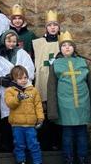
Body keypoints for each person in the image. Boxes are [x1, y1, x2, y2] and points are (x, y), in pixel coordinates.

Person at [47, 31, 91, 164]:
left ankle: (82, 158)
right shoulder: (56, 64)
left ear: (74, 47)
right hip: (64, 105)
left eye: (69, 45)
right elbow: (51, 88)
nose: (67, 47)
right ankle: (68, 159)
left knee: (82, 134)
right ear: (60, 49)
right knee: (67, 135)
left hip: (82, 103)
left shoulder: (82, 62)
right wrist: (52, 110)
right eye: (64, 45)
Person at [0, 30, 35, 152]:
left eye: (14, 41)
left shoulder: (22, 54)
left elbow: (30, 68)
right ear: (4, 41)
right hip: (6, 90)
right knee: (7, 116)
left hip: (21, 89)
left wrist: (19, 79)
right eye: (9, 41)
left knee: (21, 117)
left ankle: (22, 145)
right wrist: (0, 79)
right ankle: (7, 143)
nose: (11, 43)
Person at [32, 10, 61, 151]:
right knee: (44, 115)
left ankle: (57, 142)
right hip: (42, 82)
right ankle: (45, 143)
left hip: (58, 84)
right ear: (46, 28)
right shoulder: (38, 43)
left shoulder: (64, 43)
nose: (53, 27)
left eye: (55, 25)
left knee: (57, 114)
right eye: (50, 25)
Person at [5, 65, 44, 164]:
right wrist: (18, 98)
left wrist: (40, 118)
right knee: (19, 145)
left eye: (25, 77)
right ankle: (21, 161)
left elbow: (38, 105)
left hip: (30, 125)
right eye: (20, 78)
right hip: (17, 125)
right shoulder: (10, 90)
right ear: (14, 79)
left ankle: (37, 161)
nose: (23, 80)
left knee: (34, 144)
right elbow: (10, 103)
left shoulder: (33, 90)